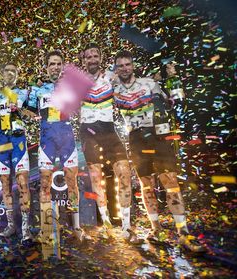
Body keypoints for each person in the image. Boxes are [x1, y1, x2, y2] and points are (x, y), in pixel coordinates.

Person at [113, 50, 204, 252]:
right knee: (146, 185)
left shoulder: (149, 83)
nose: (125, 68)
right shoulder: (113, 88)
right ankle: (156, 229)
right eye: (120, 65)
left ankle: (183, 233)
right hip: (135, 138)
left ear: (133, 65)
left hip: (157, 135)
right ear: (116, 69)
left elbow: (174, 101)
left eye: (128, 64)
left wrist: (172, 78)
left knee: (170, 181)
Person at [27, 50, 90, 242]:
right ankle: (46, 229)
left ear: (62, 66)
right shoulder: (38, 90)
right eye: (51, 64)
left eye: (58, 64)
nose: (55, 67)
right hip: (47, 141)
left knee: (72, 184)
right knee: (45, 184)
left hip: (67, 140)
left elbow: (81, 108)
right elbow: (28, 112)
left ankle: (77, 226)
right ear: (46, 68)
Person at [79, 43, 139, 243]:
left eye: (96, 55)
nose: (92, 59)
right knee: (96, 178)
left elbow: (130, 83)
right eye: (89, 56)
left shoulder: (111, 76)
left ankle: (126, 225)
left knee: (124, 172)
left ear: (101, 58)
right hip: (88, 131)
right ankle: (105, 222)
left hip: (109, 129)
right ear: (84, 60)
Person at [0, 62, 32, 243]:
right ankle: (11, 225)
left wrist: (21, 110)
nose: (10, 73)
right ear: (3, 74)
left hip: (18, 140)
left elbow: (31, 113)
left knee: (22, 183)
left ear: (17, 74)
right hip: (1, 142)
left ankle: (26, 229)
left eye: (14, 70)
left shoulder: (24, 93)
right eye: (7, 70)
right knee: (5, 184)